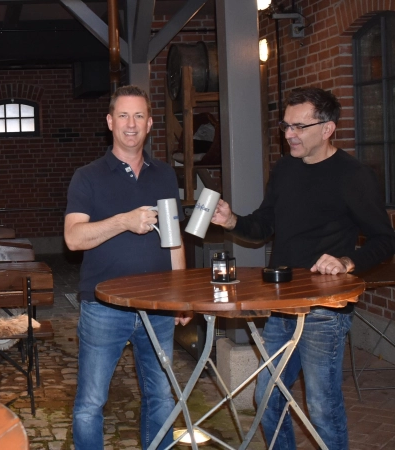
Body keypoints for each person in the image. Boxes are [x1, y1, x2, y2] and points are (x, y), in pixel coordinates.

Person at [210, 86, 395, 449]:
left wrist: (347, 261)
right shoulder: (285, 169)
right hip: (281, 304)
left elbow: (385, 239)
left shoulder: (354, 175)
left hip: (324, 310)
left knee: (323, 407)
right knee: (267, 398)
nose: (289, 134)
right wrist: (232, 221)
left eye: (299, 126)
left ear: (327, 129)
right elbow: (264, 225)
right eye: (286, 125)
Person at [65, 85, 190, 449]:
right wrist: (123, 221)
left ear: (150, 124)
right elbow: (73, 238)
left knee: (161, 398)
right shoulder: (87, 176)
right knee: (90, 404)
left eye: (138, 116)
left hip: (158, 307)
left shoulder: (165, 175)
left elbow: (174, 240)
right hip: (104, 308)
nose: (131, 124)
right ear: (110, 122)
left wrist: (181, 296)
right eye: (123, 115)